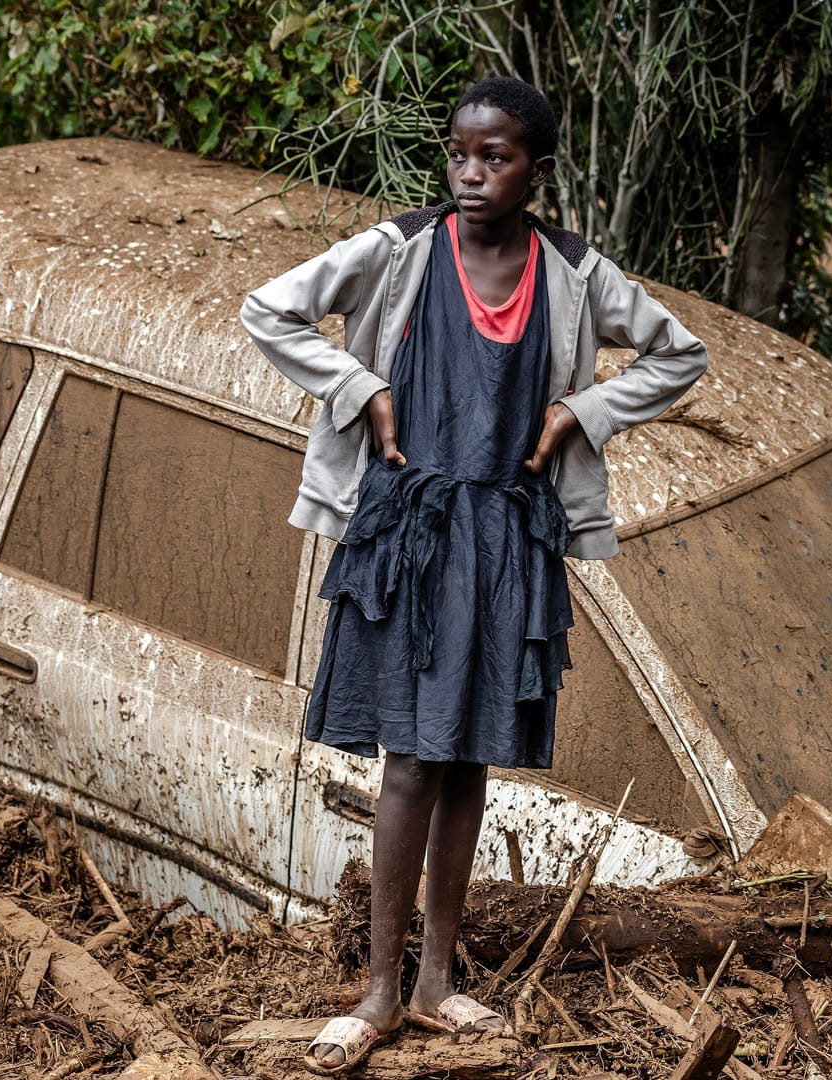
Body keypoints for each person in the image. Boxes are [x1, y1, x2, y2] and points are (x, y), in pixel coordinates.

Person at [241, 76, 707, 1074]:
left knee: (466, 764)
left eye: (495, 158)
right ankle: (377, 991)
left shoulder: (574, 273)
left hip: (507, 542)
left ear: (538, 169)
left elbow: (680, 354)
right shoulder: (401, 249)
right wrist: (359, 386)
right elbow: (270, 309)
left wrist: (582, 413)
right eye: (460, 153)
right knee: (409, 760)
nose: (471, 173)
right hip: (410, 536)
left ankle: (438, 982)